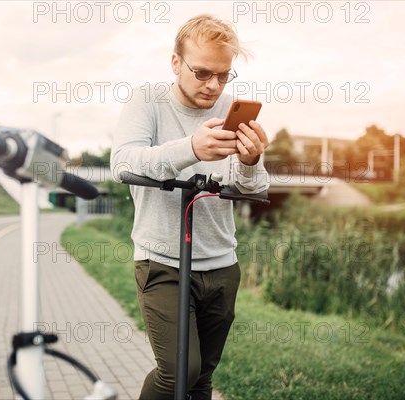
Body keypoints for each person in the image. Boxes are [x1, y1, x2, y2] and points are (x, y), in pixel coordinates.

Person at [110, 14, 270, 400]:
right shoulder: (147, 100)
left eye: (223, 74)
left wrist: (250, 162)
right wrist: (191, 150)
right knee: (179, 372)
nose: (213, 85)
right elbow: (124, 163)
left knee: (201, 381)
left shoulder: (231, 107)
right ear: (176, 62)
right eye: (202, 73)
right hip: (163, 262)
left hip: (221, 264)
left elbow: (257, 186)